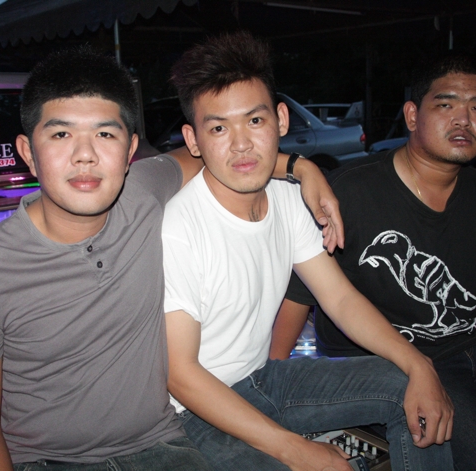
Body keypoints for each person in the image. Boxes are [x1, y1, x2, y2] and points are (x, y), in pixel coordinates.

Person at [0, 45, 341, 471]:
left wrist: (301, 168)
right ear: (27, 152)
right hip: (48, 461)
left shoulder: (144, 193)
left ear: (131, 150)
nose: (84, 154)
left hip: (161, 446)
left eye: (105, 134)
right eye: (60, 135)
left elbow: (221, 152)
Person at [161, 31, 454, 471]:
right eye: (219, 128)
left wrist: (419, 364)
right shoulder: (179, 228)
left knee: (411, 388)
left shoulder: (286, 199)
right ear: (194, 139)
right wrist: (294, 449)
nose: (241, 144)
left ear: (281, 119)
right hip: (194, 413)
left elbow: (340, 299)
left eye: (254, 121)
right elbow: (180, 375)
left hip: (262, 380)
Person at [277, 53, 476, 471]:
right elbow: (295, 301)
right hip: (391, 364)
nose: (463, 119)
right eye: (446, 104)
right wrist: (274, 405)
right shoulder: (349, 192)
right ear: (413, 115)